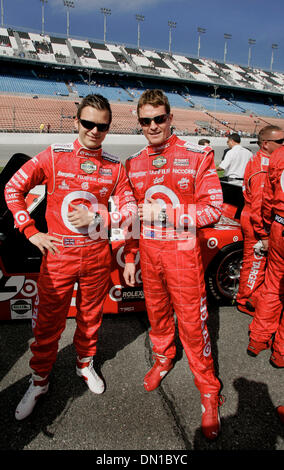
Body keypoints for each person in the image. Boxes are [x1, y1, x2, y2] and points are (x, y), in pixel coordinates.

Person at [5, 94, 137, 420]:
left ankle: (84, 364)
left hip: (96, 255)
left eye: (102, 126)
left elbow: (131, 210)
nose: (95, 131)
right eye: (89, 123)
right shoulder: (54, 156)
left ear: (108, 128)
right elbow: (12, 189)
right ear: (76, 121)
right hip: (59, 254)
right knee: (48, 324)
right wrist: (30, 231)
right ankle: (39, 381)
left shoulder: (114, 167)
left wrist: (100, 220)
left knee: (91, 317)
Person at [125, 89, 224, 440]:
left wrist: (164, 212)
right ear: (139, 123)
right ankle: (164, 358)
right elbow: (132, 217)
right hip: (150, 257)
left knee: (194, 327)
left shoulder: (197, 155)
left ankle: (209, 389)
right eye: (145, 120)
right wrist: (131, 255)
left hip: (183, 257)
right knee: (157, 315)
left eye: (159, 118)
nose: (153, 125)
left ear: (170, 119)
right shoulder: (133, 162)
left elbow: (214, 209)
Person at [236, 125, 284, 315]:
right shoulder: (262, 169)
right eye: (280, 142)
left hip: (258, 220)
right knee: (255, 263)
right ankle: (245, 300)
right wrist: (263, 234)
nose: (283, 145)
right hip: (257, 222)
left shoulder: (265, 162)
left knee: (260, 263)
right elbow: (258, 206)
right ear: (265, 144)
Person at [247, 144, 284, 367]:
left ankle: (258, 338)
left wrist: (268, 228)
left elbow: (267, 199)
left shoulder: (279, 154)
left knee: (272, 284)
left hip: (279, 226)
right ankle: (280, 351)